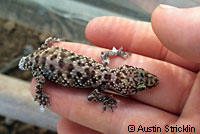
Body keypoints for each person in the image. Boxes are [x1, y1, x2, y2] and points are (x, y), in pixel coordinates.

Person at [31, 4, 200, 133]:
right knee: (39, 79)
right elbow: (91, 96)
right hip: (40, 64)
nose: (151, 80)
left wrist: (116, 53)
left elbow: (105, 56)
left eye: (141, 76)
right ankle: (39, 87)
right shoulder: (101, 85)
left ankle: (47, 46)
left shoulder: (103, 70)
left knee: (49, 54)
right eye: (141, 83)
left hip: (49, 54)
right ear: (124, 89)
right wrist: (106, 98)